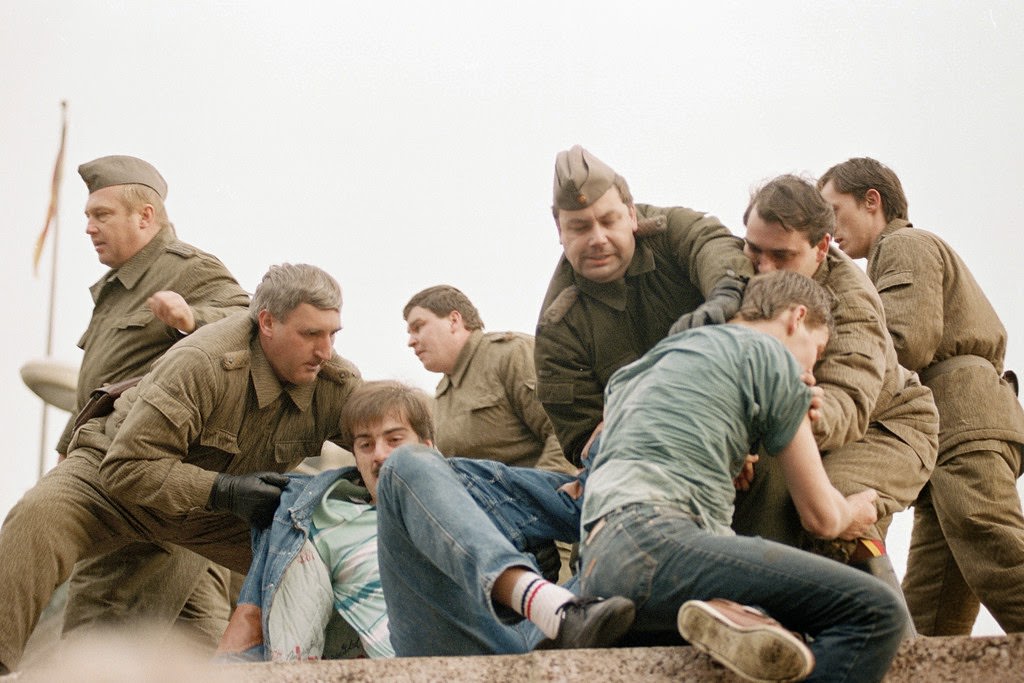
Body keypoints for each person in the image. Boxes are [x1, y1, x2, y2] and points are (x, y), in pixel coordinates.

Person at [0, 263, 362, 673]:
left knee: (330, 554)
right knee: (37, 518)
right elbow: (127, 468)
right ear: (267, 323)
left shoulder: (334, 384)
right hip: (111, 483)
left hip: (211, 514)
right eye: (310, 334)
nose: (325, 351)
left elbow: (384, 443)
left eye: (333, 334)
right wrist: (224, 490)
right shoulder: (203, 361)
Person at [580, 270, 908, 683]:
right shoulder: (771, 356)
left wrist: (740, 447)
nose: (812, 370)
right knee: (875, 612)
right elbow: (820, 517)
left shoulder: (647, 366)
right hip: (659, 543)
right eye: (817, 351)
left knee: (766, 635)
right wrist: (853, 511)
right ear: (796, 318)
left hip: (598, 569)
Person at [818, 157, 1024, 635]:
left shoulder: (904, 243)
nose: (828, 229)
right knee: (933, 597)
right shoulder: (889, 257)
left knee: (991, 542)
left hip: (962, 414)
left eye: (833, 210)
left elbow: (905, 340)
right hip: (945, 428)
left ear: (872, 201)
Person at [54, 155, 251, 649]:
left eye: (101, 215)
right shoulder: (118, 289)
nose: (88, 228)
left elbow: (248, 322)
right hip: (144, 495)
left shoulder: (187, 269)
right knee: (196, 648)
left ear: (145, 216)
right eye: (86, 217)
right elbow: (102, 384)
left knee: (97, 634)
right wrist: (66, 454)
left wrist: (191, 317)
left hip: (141, 484)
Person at [732, 175, 938, 604]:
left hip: (887, 425)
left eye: (782, 256)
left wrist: (783, 418)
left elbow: (849, 397)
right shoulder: (737, 267)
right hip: (797, 417)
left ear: (822, 248)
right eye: (755, 250)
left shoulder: (853, 302)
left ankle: (892, 641)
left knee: (831, 505)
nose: (763, 267)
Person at [535, 145, 754, 466]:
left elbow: (712, 247)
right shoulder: (559, 330)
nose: (598, 239)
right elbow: (584, 440)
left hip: (742, 409)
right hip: (654, 460)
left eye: (609, 221)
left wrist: (723, 297)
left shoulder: (672, 232)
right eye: (580, 227)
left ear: (632, 215)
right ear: (560, 232)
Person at [216, 380, 434, 661]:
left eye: (394, 440)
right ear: (355, 457)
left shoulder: (470, 508)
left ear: (426, 448)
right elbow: (252, 627)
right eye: (365, 445)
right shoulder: (323, 520)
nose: (379, 455)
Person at [404, 285, 571, 473]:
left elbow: (566, 431)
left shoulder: (510, 355)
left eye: (418, 327)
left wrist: (546, 492)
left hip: (536, 492)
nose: (411, 341)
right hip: (478, 497)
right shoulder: (443, 391)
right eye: (409, 333)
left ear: (454, 320)